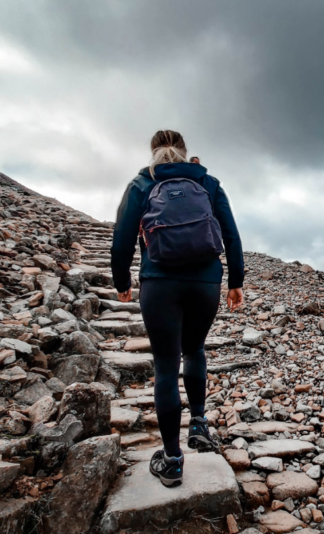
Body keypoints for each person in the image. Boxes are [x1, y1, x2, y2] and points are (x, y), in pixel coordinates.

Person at [111, 130, 244, 488]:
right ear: (184, 153)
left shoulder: (142, 183)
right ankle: (199, 424)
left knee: (166, 365)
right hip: (205, 283)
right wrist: (235, 281)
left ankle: (172, 461)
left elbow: (122, 235)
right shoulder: (208, 182)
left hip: (159, 282)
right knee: (195, 349)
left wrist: (121, 281)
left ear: (153, 152)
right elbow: (230, 233)